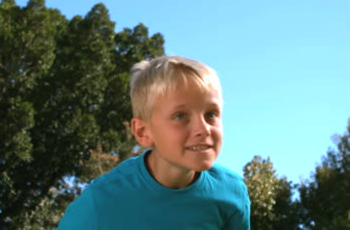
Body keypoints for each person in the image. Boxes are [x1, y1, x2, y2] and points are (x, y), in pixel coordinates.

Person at [57, 56, 250, 230]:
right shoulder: (101, 200)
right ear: (143, 132)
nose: (204, 129)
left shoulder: (232, 193)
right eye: (180, 116)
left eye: (211, 114)